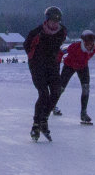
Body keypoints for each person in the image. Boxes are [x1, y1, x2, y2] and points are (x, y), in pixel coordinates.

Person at [25, 7, 69, 140]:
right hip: (37, 66)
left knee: (56, 91)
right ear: (47, 20)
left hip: (53, 66)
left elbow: (57, 46)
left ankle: (44, 119)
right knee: (44, 94)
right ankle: (36, 125)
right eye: (52, 21)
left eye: (57, 21)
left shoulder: (62, 31)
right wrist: (36, 58)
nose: (55, 23)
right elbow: (27, 45)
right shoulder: (37, 32)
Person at [53, 29, 95, 124]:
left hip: (83, 66)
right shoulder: (74, 47)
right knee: (61, 88)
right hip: (69, 65)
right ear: (83, 41)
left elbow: (88, 55)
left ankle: (83, 113)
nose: (89, 46)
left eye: (91, 44)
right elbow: (61, 50)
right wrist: (57, 64)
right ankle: (52, 106)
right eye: (87, 44)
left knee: (86, 88)